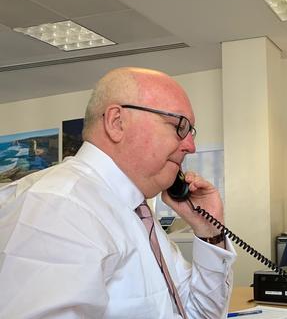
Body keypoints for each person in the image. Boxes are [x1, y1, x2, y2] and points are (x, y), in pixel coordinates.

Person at [0, 67, 236, 318]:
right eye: (179, 126)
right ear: (116, 122)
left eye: (191, 132)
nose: (190, 146)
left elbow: (199, 313)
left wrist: (209, 231)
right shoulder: (59, 207)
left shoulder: (135, 211)